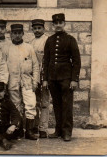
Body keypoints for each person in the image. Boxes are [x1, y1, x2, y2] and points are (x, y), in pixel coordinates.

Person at [43, 13, 81, 141]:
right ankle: (58, 130)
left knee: (67, 105)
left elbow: (76, 61)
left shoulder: (70, 39)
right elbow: (46, 60)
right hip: (53, 78)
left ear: (64, 24)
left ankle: (67, 132)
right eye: (55, 23)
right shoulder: (50, 40)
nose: (58, 25)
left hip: (66, 78)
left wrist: (74, 79)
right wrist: (45, 79)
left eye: (60, 23)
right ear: (53, 25)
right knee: (57, 105)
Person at [1, 24, 39, 140]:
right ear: (11, 34)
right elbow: (2, 67)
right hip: (12, 82)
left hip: (27, 82)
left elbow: (35, 66)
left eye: (19, 33)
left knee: (31, 104)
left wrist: (35, 82)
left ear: (23, 34)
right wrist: (4, 84)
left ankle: (29, 131)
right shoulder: (6, 48)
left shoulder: (29, 47)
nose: (17, 36)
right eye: (14, 33)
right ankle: (18, 130)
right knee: (16, 106)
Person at [30, 19, 50, 138]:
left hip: (45, 75)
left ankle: (43, 128)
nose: (37, 30)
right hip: (34, 76)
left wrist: (46, 77)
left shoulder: (47, 41)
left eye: (39, 28)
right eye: (35, 28)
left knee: (45, 103)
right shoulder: (30, 42)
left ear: (43, 28)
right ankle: (35, 126)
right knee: (34, 102)